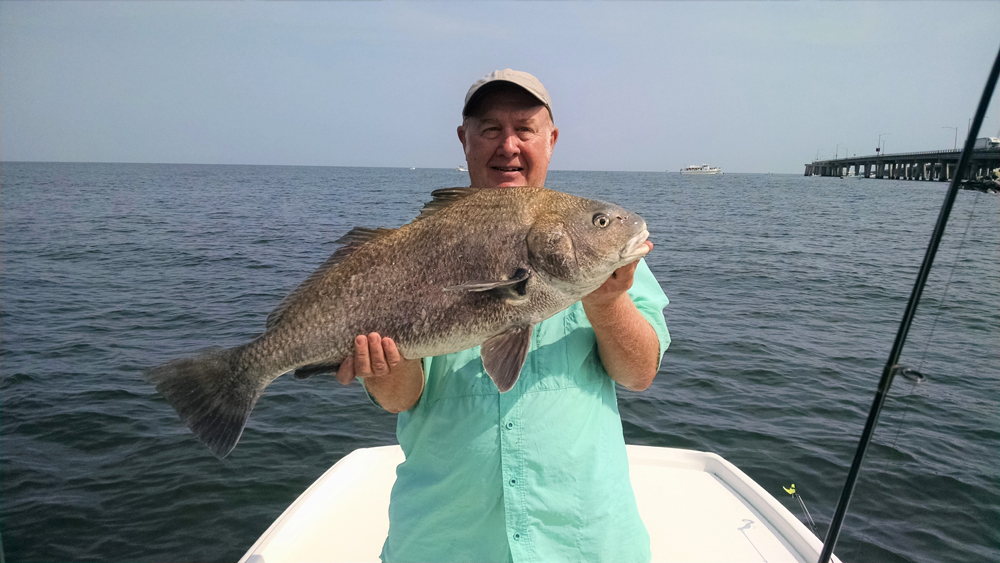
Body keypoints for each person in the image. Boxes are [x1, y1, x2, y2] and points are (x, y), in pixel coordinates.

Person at [335, 69, 670, 563]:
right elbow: (400, 398)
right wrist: (387, 363)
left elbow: (640, 374)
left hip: (581, 544)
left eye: (525, 129)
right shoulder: (415, 248)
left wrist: (606, 301)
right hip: (444, 543)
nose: (508, 145)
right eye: (490, 129)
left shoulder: (611, 262)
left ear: (551, 140)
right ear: (464, 140)